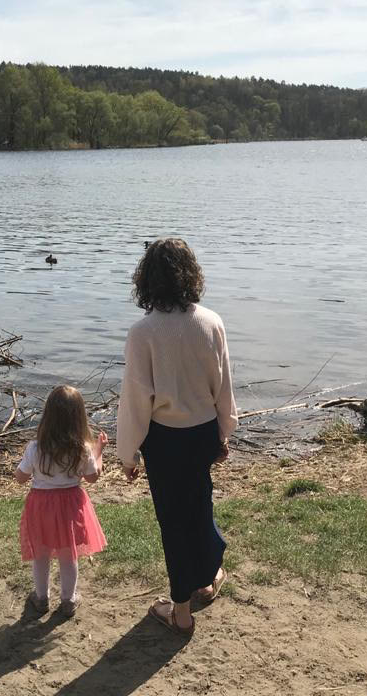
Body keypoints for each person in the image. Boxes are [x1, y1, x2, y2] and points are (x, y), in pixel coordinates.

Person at [116, 237, 238, 635]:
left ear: (146, 280)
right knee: (199, 504)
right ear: (190, 274)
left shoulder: (143, 332)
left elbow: (136, 399)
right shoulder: (211, 321)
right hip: (202, 432)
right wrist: (223, 432)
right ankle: (207, 576)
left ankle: (181, 612)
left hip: (165, 440)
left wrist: (128, 453)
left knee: (174, 520)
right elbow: (223, 387)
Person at [15, 385, 108, 617]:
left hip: (41, 507)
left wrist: (29, 469)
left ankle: (41, 597)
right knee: (69, 555)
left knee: (41, 554)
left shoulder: (36, 448)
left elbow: (19, 478)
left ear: (47, 416)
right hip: (70, 507)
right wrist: (99, 451)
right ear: (79, 417)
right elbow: (93, 477)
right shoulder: (82, 449)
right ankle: (68, 599)